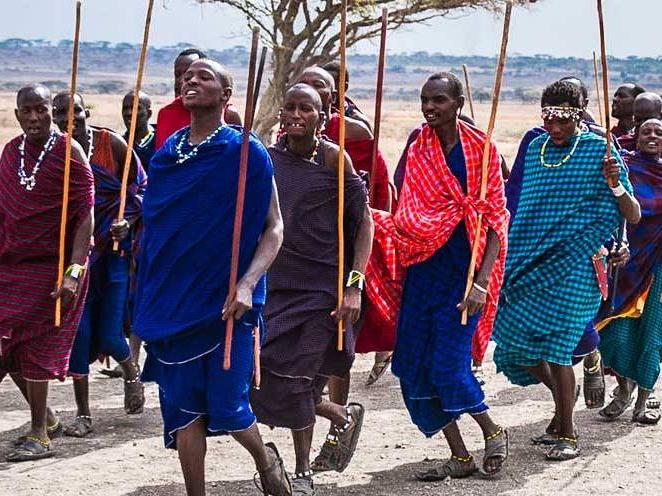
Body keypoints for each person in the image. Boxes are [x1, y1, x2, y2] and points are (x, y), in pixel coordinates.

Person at [133, 58, 291, 496]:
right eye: (188, 75)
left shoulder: (246, 151)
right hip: (173, 302)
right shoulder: (167, 154)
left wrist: (246, 283)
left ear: (226, 95)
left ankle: (265, 460)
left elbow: (274, 228)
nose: (191, 80)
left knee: (228, 407)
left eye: (205, 77)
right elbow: (159, 227)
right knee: (185, 411)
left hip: (226, 302)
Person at [367, 72, 510, 479]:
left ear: (458, 103)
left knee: (449, 367)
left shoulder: (481, 150)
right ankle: (460, 455)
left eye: (439, 100)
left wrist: (481, 283)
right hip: (422, 274)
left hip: (464, 278)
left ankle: (492, 430)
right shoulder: (417, 147)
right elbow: (408, 212)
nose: (430, 107)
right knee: (413, 366)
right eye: (424, 100)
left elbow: (497, 223)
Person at [492, 80, 641, 461]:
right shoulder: (537, 147)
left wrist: (615, 185)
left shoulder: (599, 151)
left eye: (563, 120)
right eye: (548, 119)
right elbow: (524, 208)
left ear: (579, 114)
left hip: (578, 265)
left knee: (559, 351)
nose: (555, 128)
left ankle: (568, 433)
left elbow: (633, 214)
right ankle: (564, 403)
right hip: (530, 263)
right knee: (514, 342)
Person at [251, 84, 373, 495]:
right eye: (290, 108)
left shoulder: (335, 161)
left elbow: (364, 224)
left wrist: (354, 286)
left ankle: (302, 471)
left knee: (302, 381)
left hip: (325, 291)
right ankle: (339, 415)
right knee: (261, 373)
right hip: (277, 286)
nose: (296, 115)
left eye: (307, 108)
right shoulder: (266, 160)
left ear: (324, 117)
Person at [295, 66, 394, 472]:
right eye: (304, 90)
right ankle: (327, 417)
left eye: (322, 89)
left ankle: (335, 433)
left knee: (337, 350)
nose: (313, 96)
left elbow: (376, 197)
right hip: (298, 262)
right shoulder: (289, 140)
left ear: (335, 96)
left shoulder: (349, 132)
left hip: (346, 259)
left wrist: (356, 278)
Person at [0, 84, 94, 461]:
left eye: (42, 109)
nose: (35, 117)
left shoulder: (69, 152)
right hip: (11, 266)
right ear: (18, 113)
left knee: (36, 350)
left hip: (54, 270)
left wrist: (74, 272)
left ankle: (39, 434)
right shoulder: (10, 153)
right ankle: (49, 418)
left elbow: (85, 215)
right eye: (28, 110)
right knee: (8, 350)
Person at [52, 91, 146, 438]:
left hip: (114, 254)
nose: (68, 120)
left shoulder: (113, 144)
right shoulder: (54, 153)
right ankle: (83, 413)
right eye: (60, 113)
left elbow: (139, 188)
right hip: (77, 257)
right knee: (80, 333)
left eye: (74, 111)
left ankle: (131, 370)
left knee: (108, 333)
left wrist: (129, 219)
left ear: (85, 111)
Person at [597, 118, 662, 425]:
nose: (652, 136)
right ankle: (623, 391)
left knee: (652, 333)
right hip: (623, 263)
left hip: (658, 267)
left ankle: (643, 400)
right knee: (615, 334)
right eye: (646, 132)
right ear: (636, 137)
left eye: (658, 133)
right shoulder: (625, 166)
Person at [154, 48, 242, 149]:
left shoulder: (228, 114)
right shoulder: (166, 113)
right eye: (178, 75)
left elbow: (239, 152)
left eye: (203, 77)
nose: (183, 81)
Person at [322, 61, 372, 130]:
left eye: (331, 83)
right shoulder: (312, 114)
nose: (325, 88)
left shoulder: (358, 122)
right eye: (322, 83)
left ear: (345, 87)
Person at [122, 90, 156, 171]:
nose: (129, 113)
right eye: (125, 108)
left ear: (149, 113)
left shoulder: (162, 141)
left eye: (136, 108)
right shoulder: (120, 144)